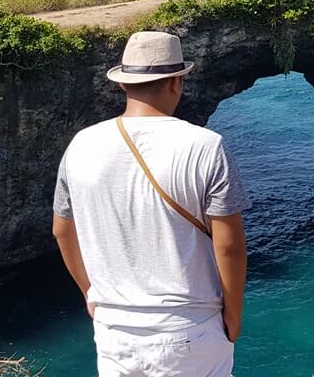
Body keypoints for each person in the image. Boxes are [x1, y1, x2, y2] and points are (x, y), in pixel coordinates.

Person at [53, 31, 250, 377]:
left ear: (124, 85)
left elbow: (62, 231)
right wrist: (233, 315)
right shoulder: (206, 146)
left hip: (115, 332)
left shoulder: (80, 145)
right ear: (176, 82)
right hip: (190, 329)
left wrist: (90, 292)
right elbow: (229, 245)